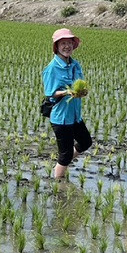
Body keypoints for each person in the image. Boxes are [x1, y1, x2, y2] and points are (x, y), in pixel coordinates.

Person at [42, 28, 93, 181]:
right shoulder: (52, 68)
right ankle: (58, 184)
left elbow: (81, 84)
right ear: (56, 46)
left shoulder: (75, 65)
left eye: (69, 43)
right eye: (63, 43)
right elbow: (50, 92)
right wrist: (66, 92)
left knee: (85, 142)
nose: (67, 46)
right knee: (65, 154)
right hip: (61, 116)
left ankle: (64, 163)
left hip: (75, 115)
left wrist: (82, 91)